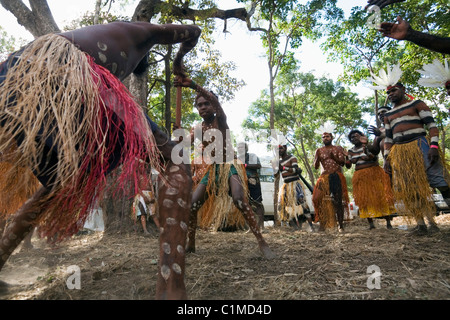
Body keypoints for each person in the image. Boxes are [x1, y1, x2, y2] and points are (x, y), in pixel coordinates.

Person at [0, 21, 202, 300]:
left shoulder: (103, 39)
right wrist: (179, 63)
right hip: (74, 74)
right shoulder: (146, 32)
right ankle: (172, 289)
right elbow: (194, 31)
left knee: (59, 182)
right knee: (174, 158)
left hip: (15, 73)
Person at [174, 76, 275, 259]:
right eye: (200, 105)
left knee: (238, 198)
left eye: (207, 103)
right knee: (192, 205)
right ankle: (191, 243)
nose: (203, 107)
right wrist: (178, 136)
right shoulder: (197, 128)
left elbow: (213, 101)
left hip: (230, 166)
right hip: (213, 171)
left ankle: (262, 242)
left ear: (214, 106)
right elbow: (184, 144)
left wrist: (193, 86)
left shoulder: (220, 120)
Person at [382, 82, 450, 235]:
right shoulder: (388, 115)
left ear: (403, 90)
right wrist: (387, 158)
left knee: (442, 182)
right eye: (388, 93)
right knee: (412, 189)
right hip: (400, 152)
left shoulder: (417, 104)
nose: (391, 94)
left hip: (421, 145)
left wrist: (433, 146)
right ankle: (421, 225)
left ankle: (433, 222)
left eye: (393, 90)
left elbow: (432, 126)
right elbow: (388, 138)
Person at [346, 129, 395, 229]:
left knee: (381, 196)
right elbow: (348, 166)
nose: (354, 138)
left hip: (374, 174)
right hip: (360, 176)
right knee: (364, 199)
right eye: (352, 137)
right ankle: (371, 224)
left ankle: (388, 223)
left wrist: (366, 148)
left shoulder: (369, 146)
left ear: (361, 136)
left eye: (356, 136)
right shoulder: (351, 151)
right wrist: (346, 157)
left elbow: (373, 157)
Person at [312, 123, 350, 232]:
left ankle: (340, 225)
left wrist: (334, 157)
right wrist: (316, 159)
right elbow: (316, 166)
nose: (325, 138)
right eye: (323, 137)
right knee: (317, 198)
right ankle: (323, 223)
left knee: (338, 201)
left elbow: (342, 163)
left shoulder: (338, 148)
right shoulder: (319, 150)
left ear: (332, 137)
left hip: (336, 176)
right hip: (324, 177)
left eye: (327, 136)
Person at [276, 144, 314, 231]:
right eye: (277, 149)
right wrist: (276, 167)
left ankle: (311, 226)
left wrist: (284, 167)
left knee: (302, 201)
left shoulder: (292, 158)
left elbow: (295, 170)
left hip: (295, 183)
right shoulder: (279, 162)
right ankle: (293, 226)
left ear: (285, 148)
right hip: (286, 185)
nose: (279, 150)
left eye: (281, 148)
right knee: (282, 204)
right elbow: (276, 175)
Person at [237, 142, 265, 230]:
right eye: (238, 147)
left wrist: (245, 165)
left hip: (253, 182)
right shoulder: (237, 159)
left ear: (246, 148)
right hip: (243, 184)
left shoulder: (252, 156)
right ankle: (252, 227)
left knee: (257, 203)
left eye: (241, 147)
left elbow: (258, 166)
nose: (240, 148)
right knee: (246, 204)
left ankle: (261, 226)